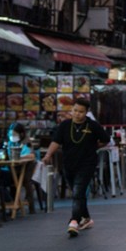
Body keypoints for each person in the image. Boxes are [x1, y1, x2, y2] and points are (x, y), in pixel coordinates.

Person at [43, 98, 111, 237]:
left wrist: (95, 146)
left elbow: (105, 139)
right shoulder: (65, 125)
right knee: (77, 192)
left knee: (78, 192)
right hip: (68, 164)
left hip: (87, 164)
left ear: (86, 112)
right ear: (71, 110)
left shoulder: (92, 126)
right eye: (75, 110)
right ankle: (86, 218)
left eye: (81, 112)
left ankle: (74, 221)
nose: (77, 114)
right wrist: (48, 154)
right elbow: (56, 141)